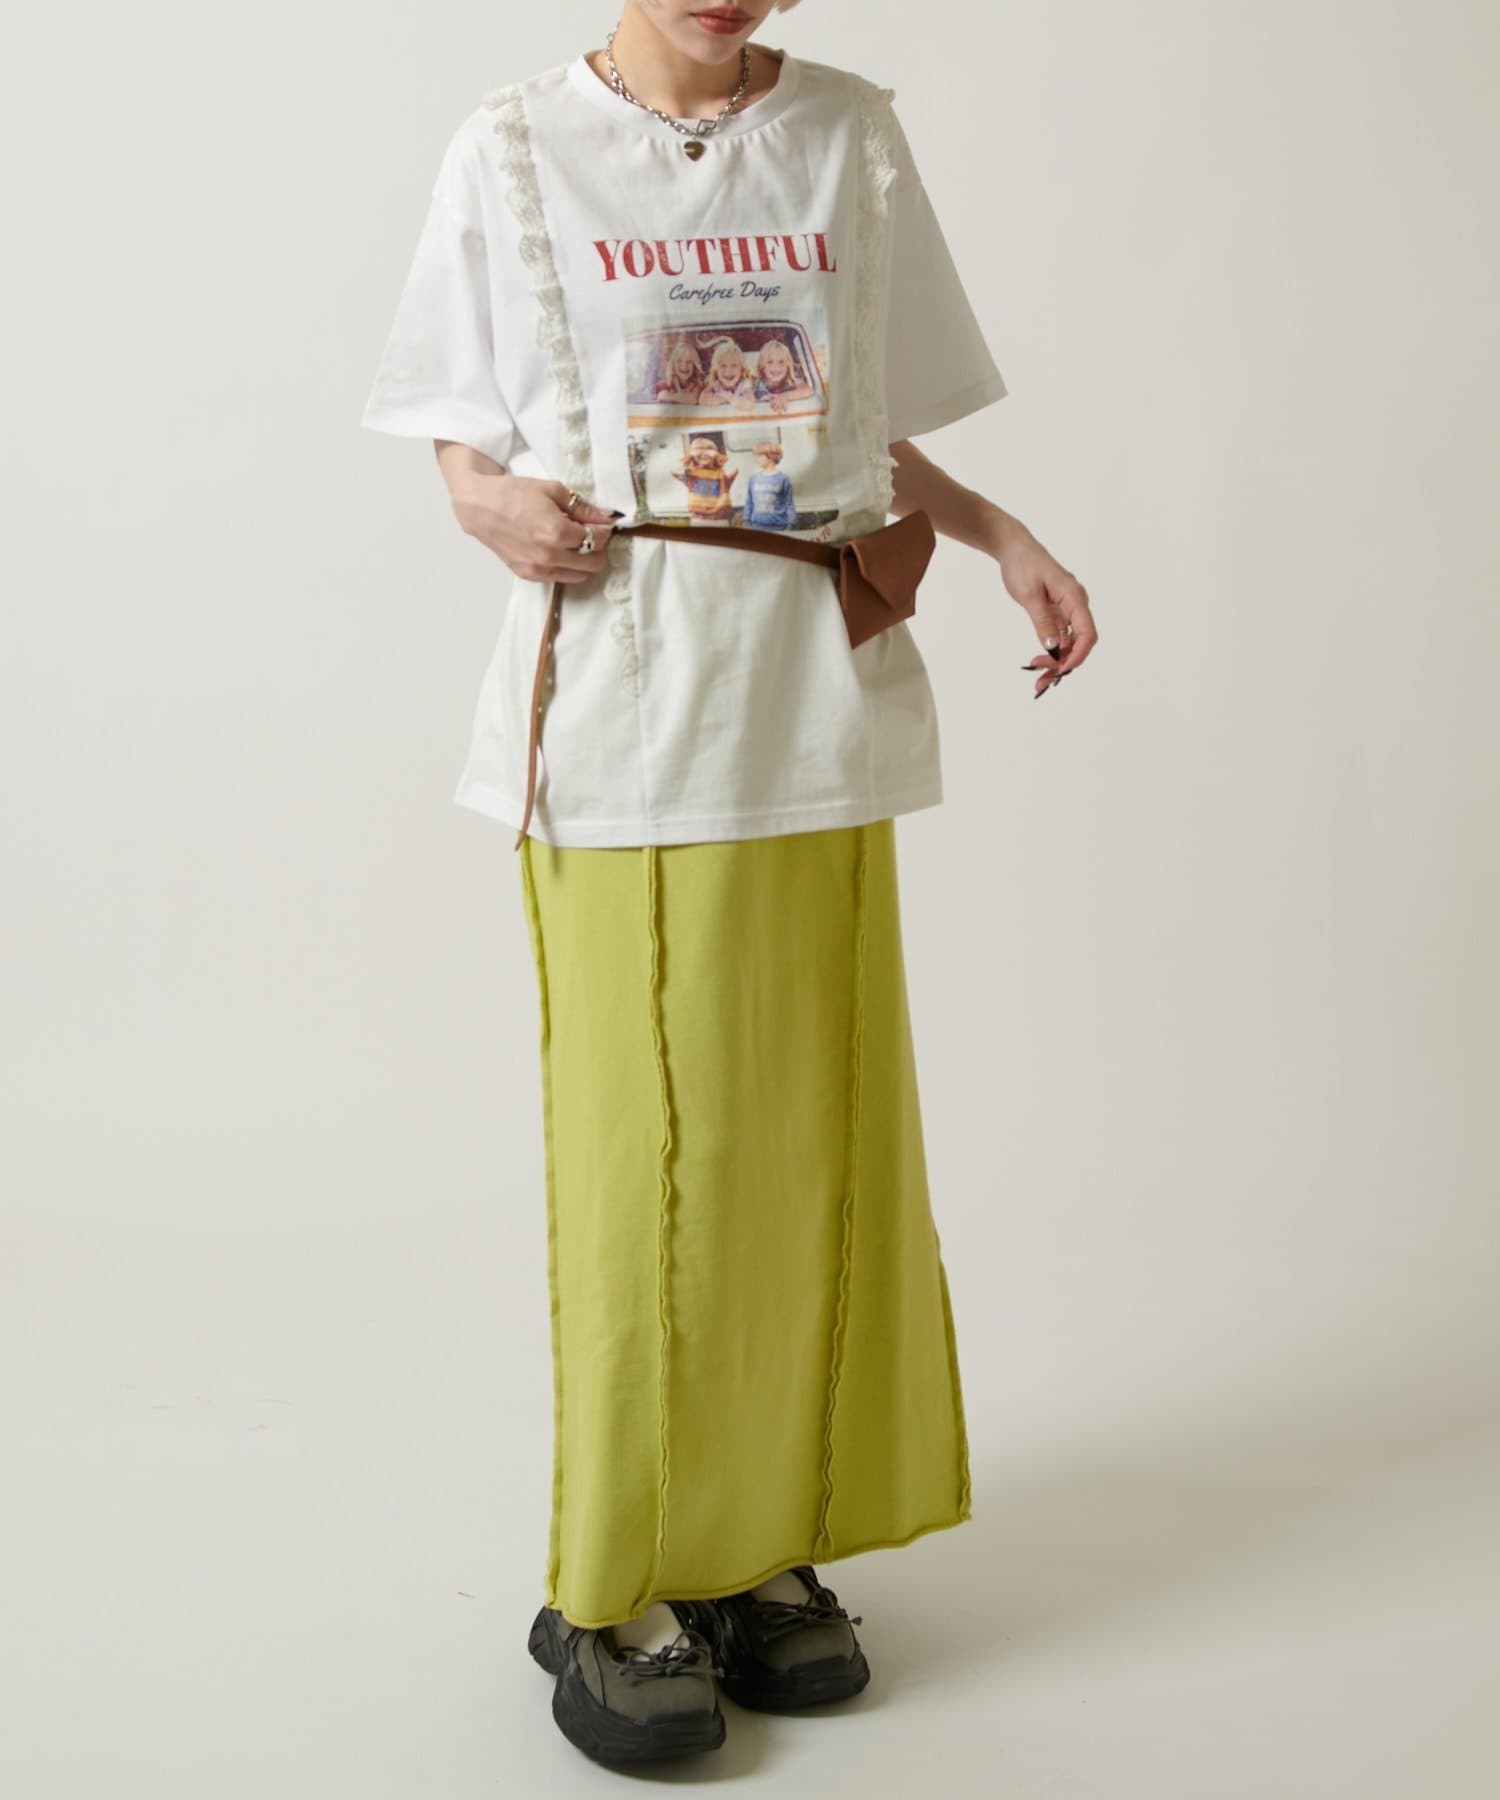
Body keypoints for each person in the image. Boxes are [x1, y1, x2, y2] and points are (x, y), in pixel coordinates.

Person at [361, 0, 1097, 1768]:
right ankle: (612, 1585)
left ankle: (759, 1549)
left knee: (805, 1146)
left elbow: (849, 420)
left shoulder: (848, 132)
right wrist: (483, 505)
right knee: (649, 1172)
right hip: (625, 709)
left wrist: (1005, 535)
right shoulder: (513, 145)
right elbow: (457, 428)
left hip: (813, 703)